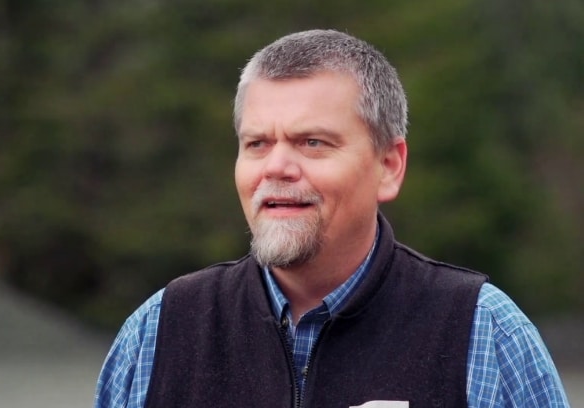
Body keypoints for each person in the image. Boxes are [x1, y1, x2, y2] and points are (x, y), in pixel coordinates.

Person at [94, 29, 570, 408]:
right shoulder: (159, 332)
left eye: (312, 142)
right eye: (257, 144)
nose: (276, 167)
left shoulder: (482, 333)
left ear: (389, 166)